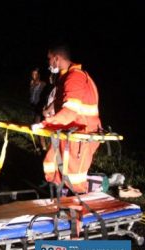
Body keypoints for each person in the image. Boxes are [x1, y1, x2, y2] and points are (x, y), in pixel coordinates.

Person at [31, 44, 101, 194]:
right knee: (56, 167)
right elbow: (61, 100)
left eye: (49, 59)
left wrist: (45, 124)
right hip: (71, 130)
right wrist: (48, 111)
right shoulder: (66, 77)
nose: (48, 63)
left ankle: (105, 185)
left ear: (56, 58)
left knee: (75, 180)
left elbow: (70, 110)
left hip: (82, 133)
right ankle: (60, 196)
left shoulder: (75, 77)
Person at [29, 68, 47, 150]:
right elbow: (31, 95)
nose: (34, 76)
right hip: (32, 107)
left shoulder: (42, 84)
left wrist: (44, 106)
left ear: (39, 75)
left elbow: (45, 96)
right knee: (33, 126)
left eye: (35, 74)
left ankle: (43, 147)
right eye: (33, 74)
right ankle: (38, 146)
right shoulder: (32, 83)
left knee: (37, 126)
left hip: (39, 108)